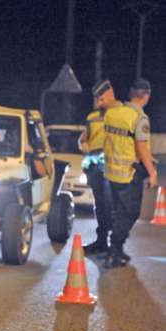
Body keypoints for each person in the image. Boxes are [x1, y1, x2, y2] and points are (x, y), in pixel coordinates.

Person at [103, 78, 157, 268]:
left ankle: (116, 249)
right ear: (146, 96)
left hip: (111, 172)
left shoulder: (113, 113)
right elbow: (141, 148)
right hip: (128, 173)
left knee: (118, 212)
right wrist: (152, 172)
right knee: (130, 213)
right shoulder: (139, 118)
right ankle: (114, 249)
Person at [78, 80, 120, 254]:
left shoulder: (122, 113)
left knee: (113, 205)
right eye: (97, 100)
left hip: (115, 166)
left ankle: (116, 245)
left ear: (110, 94)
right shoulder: (92, 117)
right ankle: (101, 241)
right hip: (95, 165)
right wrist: (83, 144)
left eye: (101, 99)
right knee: (100, 205)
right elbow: (84, 138)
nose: (99, 103)